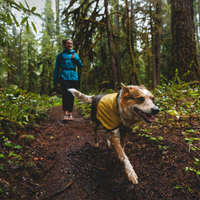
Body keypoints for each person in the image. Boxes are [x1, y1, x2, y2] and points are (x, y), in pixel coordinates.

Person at [53, 39, 83, 121]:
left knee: (71, 95)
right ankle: (65, 113)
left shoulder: (75, 55)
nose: (70, 45)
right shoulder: (60, 55)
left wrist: (75, 59)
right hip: (63, 76)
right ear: (64, 45)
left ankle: (70, 113)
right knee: (65, 94)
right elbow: (57, 68)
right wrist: (55, 81)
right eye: (68, 43)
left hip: (73, 77)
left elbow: (80, 66)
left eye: (71, 44)